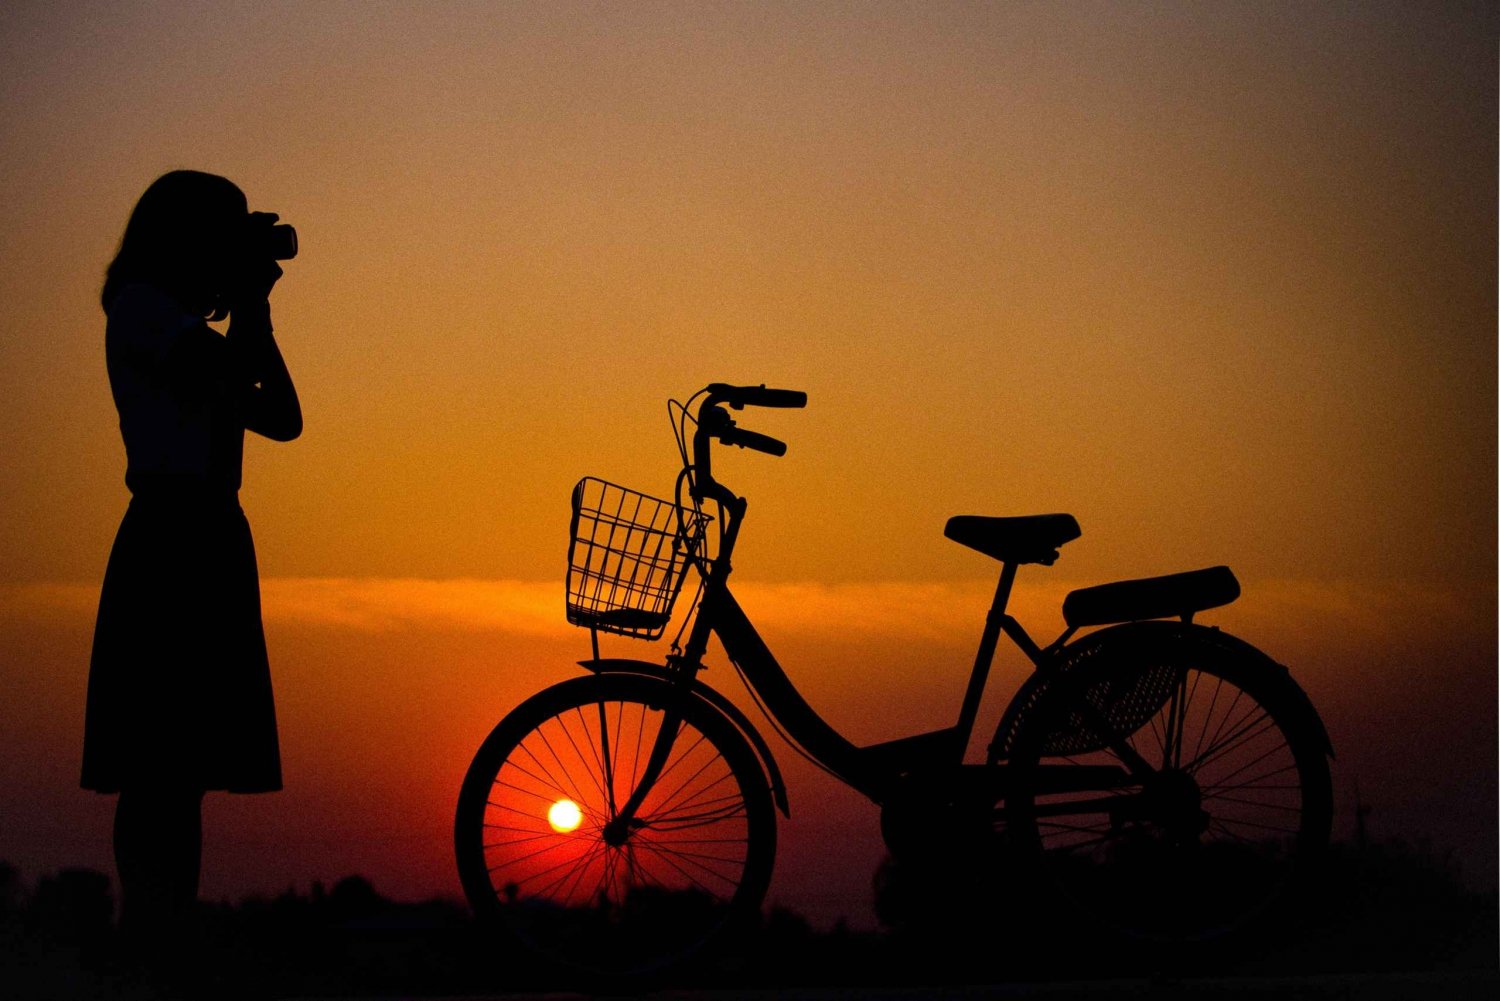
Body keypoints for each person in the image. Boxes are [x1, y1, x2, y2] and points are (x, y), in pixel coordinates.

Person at [81, 170, 301, 953]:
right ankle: (149, 934)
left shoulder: (175, 321)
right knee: (157, 767)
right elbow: (231, 382)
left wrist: (256, 306)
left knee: (186, 769)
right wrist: (247, 301)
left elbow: (281, 416)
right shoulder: (142, 311)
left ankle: (163, 937)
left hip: (208, 534)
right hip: (172, 534)